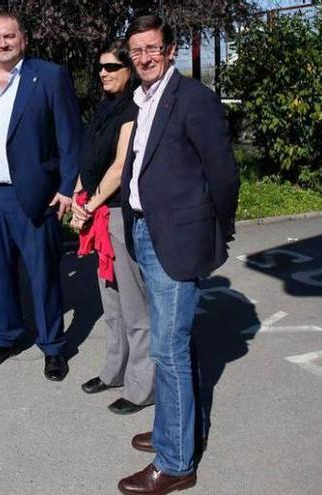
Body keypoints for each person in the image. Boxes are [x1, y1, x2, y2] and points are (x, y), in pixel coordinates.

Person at [116, 15, 239, 495]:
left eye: (152, 49)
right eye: (136, 50)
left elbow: (223, 175)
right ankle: (176, 429)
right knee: (174, 345)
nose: (143, 58)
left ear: (168, 50)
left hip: (179, 239)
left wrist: (217, 228)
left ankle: (176, 462)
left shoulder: (194, 99)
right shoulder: (141, 99)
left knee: (169, 349)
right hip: (146, 232)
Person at [0, 11, 82, 380]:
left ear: (23, 39)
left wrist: (65, 188)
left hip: (35, 194)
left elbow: (69, 138)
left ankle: (52, 348)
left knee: (43, 274)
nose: (2, 43)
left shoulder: (49, 76)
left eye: (9, 36)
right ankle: (6, 336)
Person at [70, 40, 154, 416]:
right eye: (100, 67)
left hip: (118, 214)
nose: (103, 73)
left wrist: (87, 205)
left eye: (112, 67)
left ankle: (142, 386)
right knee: (111, 301)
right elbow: (86, 160)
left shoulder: (133, 109)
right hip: (97, 214)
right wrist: (76, 197)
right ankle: (114, 370)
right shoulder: (103, 109)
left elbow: (120, 168)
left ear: (129, 71)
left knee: (135, 305)